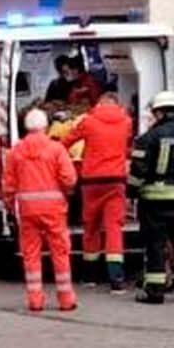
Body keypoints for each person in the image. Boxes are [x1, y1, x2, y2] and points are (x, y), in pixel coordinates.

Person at [128, 89, 174, 304]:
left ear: (159, 113)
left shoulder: (147, 138)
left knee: (156, 245)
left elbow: (138, 172)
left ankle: (155, 291)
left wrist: (131, 192)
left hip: (154, 200)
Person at [1, 106, 78, 312]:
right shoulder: (56, 149)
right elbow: (69, 179)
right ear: (45, 126)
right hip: (54, 210)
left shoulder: (16, 151)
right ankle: (66, 299)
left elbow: (8, 184)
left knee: (31, 255)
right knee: (60, 252)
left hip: (27, 211)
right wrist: (66, 192)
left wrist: (9, 205)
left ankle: (35, 300)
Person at [71, 82, 134, 291]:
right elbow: (128, 148)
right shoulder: (126, 122)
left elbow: (67, 140)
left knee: (91, 227)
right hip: (116, 181)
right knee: (114, 227)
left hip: (92, 182)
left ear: (99, 104)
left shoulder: (88, 121)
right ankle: (116, 279)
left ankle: (90, 275)